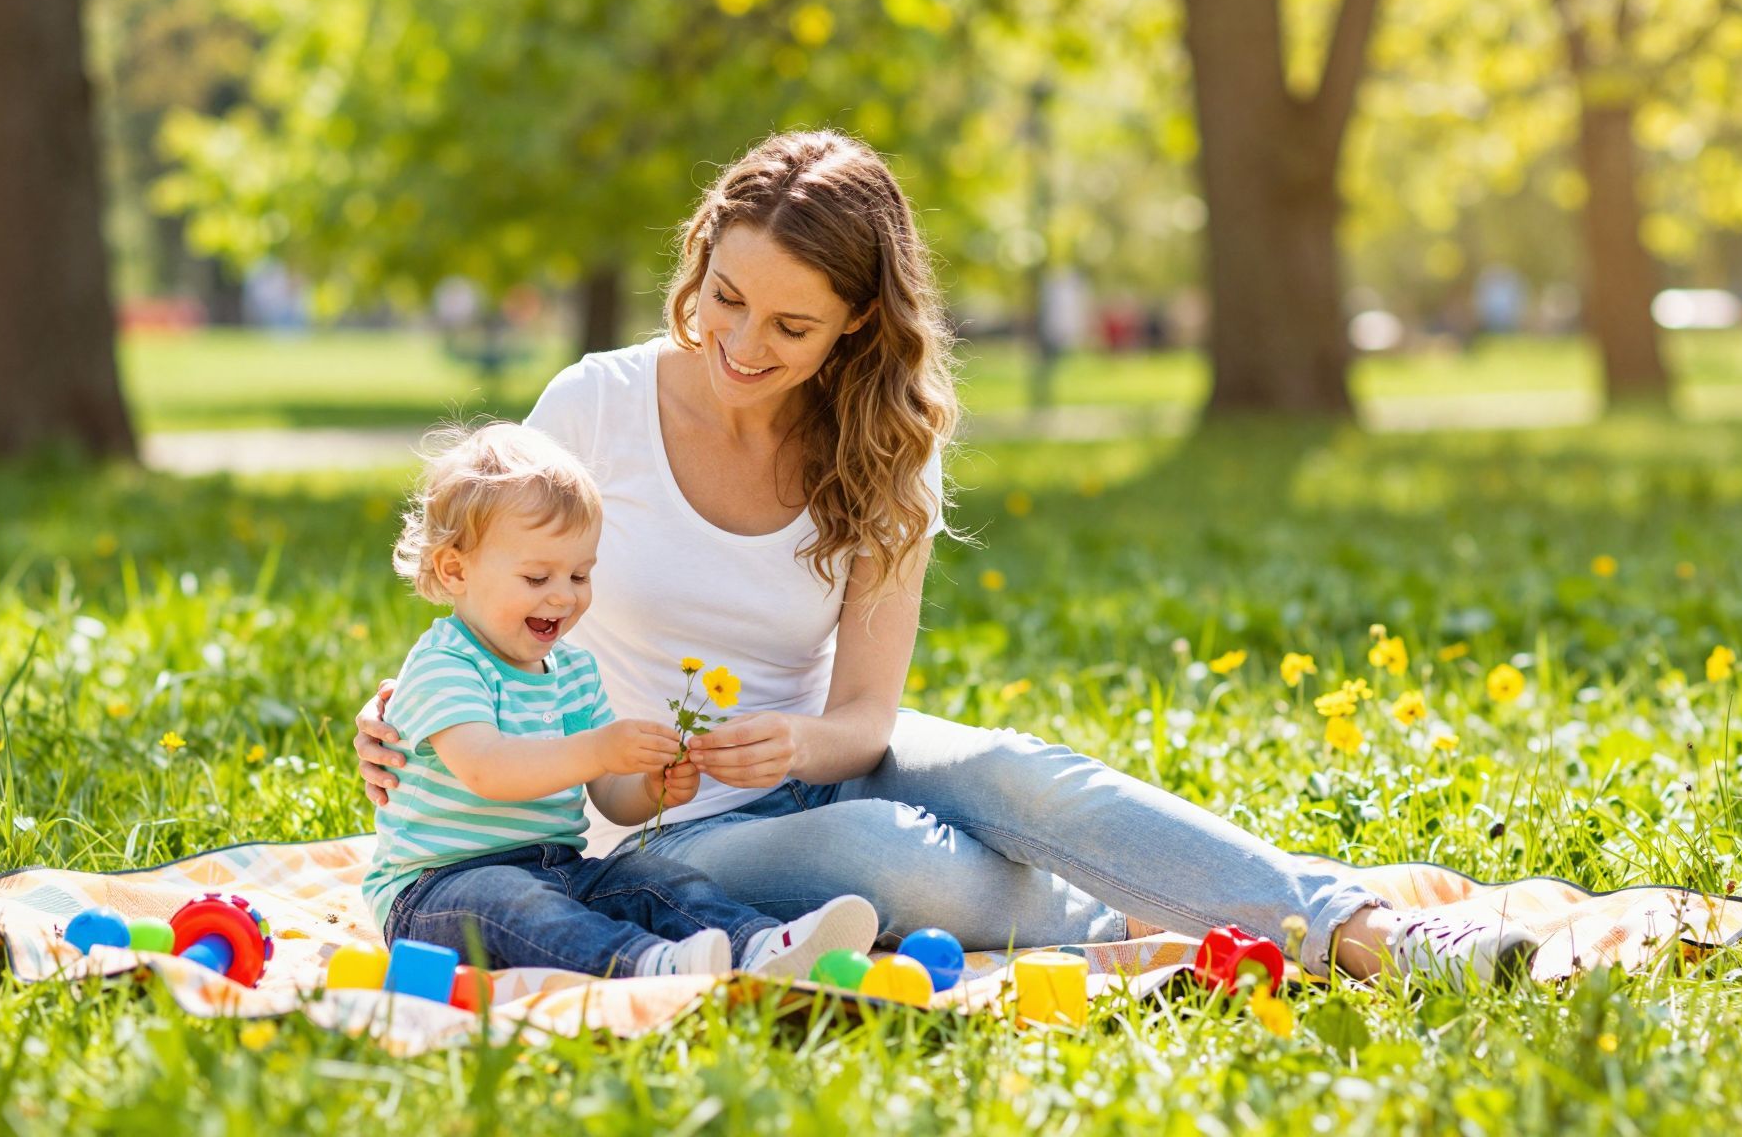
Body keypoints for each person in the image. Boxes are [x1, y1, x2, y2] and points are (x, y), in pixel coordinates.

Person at [358, 131, 1537, 989]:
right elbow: (487, 578)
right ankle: (1196, 898)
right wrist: (407, 710)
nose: (739, 345)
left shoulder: (884, 446)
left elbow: (866, 716)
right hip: (659, 826)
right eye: (724, 298)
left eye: (790, 325)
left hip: (824, 754)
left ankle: (1362, 927)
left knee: (1018, 777)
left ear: (858, 323)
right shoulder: (594, 405)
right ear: (700, 258)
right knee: (891, 860)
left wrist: (796, 743)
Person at [367, 420, 877, 978]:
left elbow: (608, 796)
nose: (563, 596)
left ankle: (760, 946)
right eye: (537, 578)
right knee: (518, 906)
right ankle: (649, 966)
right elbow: (489, 770)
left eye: (580, 575)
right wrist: (600, 749)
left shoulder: (575, 671)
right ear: (455, 570)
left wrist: (649, 789)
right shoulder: (446, 663)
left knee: (653, 878)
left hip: (559, 868)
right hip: (441, 888)